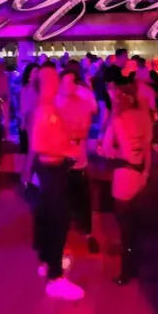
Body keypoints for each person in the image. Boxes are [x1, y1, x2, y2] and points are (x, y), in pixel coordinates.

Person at [30, 66, 84, 300]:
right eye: (53, 79)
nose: (58, 82)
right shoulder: (44, 109)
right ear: (45, 83)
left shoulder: (48, 107)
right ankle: (55, 278)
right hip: (52, 172)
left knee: (48, 218)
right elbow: (38, 144)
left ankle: (47, 261)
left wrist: (66, 139)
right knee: (58, 222)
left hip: (51, 171)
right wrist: (68, 149)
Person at [100, 79, 153, 285]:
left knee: (126, 229)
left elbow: (106, 149)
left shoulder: (118, 119)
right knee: (138, 225)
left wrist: (112, 152)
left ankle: (126, 271)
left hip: (123, 177)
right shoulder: (144, 116)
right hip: (140, 176)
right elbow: (147, 149)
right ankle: (139, 267)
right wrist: (145, 172)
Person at [57, 70, 100, 254]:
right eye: (66, 82)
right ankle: (61, 235)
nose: (70, 86)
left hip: (79, 160)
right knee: (61, 200)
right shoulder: (54, 104)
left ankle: (88, 233)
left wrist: (69, 134)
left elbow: (84, 129)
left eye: (72, 82)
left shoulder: (83, 104)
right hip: (60, 160)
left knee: (82, 199)